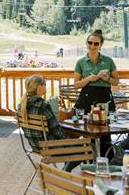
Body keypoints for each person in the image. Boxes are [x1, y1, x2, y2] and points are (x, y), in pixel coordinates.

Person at [19, 75, 79, 172]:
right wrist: (69, 140)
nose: (46, 87)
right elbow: (56, 130)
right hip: (49, 148)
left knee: (77, 146)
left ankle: (65, 172)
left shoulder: (21, 106)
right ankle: (64, 174)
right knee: (87, 149)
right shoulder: (43, 106)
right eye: (44, 85)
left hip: (35, 147)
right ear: (39, 87)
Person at [74, 29, 119, 159]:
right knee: (88, 131)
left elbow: (116, 82)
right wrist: (88, 79)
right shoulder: (80, 62)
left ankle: (108, 162)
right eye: (90, 43)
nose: (92, 46)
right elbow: (76, 84)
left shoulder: (109, 61)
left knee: (106, 131)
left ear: (100, 45)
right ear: (86, 43)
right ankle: (90, 162)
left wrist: (107, 79)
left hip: (104, 97)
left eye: (96, 44)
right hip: (87, 98)